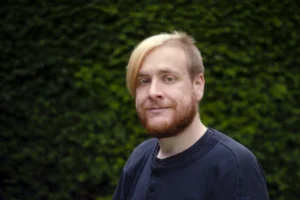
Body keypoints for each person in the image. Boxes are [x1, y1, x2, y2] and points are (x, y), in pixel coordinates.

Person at [112, 31, 269, 200]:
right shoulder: (140, 156)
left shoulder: (233, 165)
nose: (153, 92)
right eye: (144, 81)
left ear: (198, 86)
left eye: (169, 78)